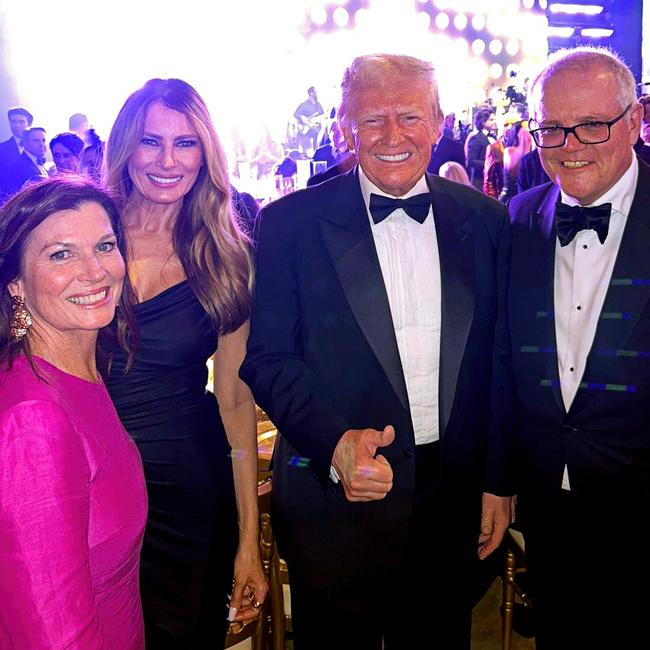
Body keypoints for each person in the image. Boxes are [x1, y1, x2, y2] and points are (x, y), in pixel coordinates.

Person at [240, 53, 514, 650]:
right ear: (344, 127)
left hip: (453, 504)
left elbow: (499, 363)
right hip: (335, 498)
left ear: (440, 121)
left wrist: (498, 481)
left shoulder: (488, 221)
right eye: (372, 120)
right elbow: (267, 359)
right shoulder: (290, 223)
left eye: (410, 116)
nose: (393, 136)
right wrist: (334, 443)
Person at [102, 77, 266, 648]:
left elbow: (235, 399)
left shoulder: (227, 255)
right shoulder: (84, 234)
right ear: (126, 148)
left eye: (186, 143)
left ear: (207, 152)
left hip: (189, 495)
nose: (168, 160)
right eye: (151, 142)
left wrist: (249, 536)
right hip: (88, 484)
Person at [508, 46, 649, 649]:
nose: (570, 144)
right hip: (549, 508)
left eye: (592, 124)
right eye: (553, 129)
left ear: (636, 120)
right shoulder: (516, 219)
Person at [0, 177, 146, 648]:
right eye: (61, 254)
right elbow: (55, 637)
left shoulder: (78, 373)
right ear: (16, 284)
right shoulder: (34, 419)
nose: (95, 271)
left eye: (105, 246)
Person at [1, 126, 48, 203]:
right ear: (25, 143)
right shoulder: (20, 167)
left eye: (43, 140)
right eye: (36, 141)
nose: (41, 144)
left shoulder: (37, 161)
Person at [465, 107, 495, 190]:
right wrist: (488, 164)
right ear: (483, 122)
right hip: (479, 181)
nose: (494, 122)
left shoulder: (492, 137)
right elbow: (471, 160)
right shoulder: (477, 138)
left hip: (490, 180)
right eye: (491, 120)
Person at [293, 86, 324, 155]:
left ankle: (317, 153)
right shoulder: (304, 105)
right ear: (311, 93)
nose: (317, 93)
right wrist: (302, 117)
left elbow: (323, 115)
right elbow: (295, 114)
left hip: (316, 130)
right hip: (306, 132)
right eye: (316, 92)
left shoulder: (318, 104)